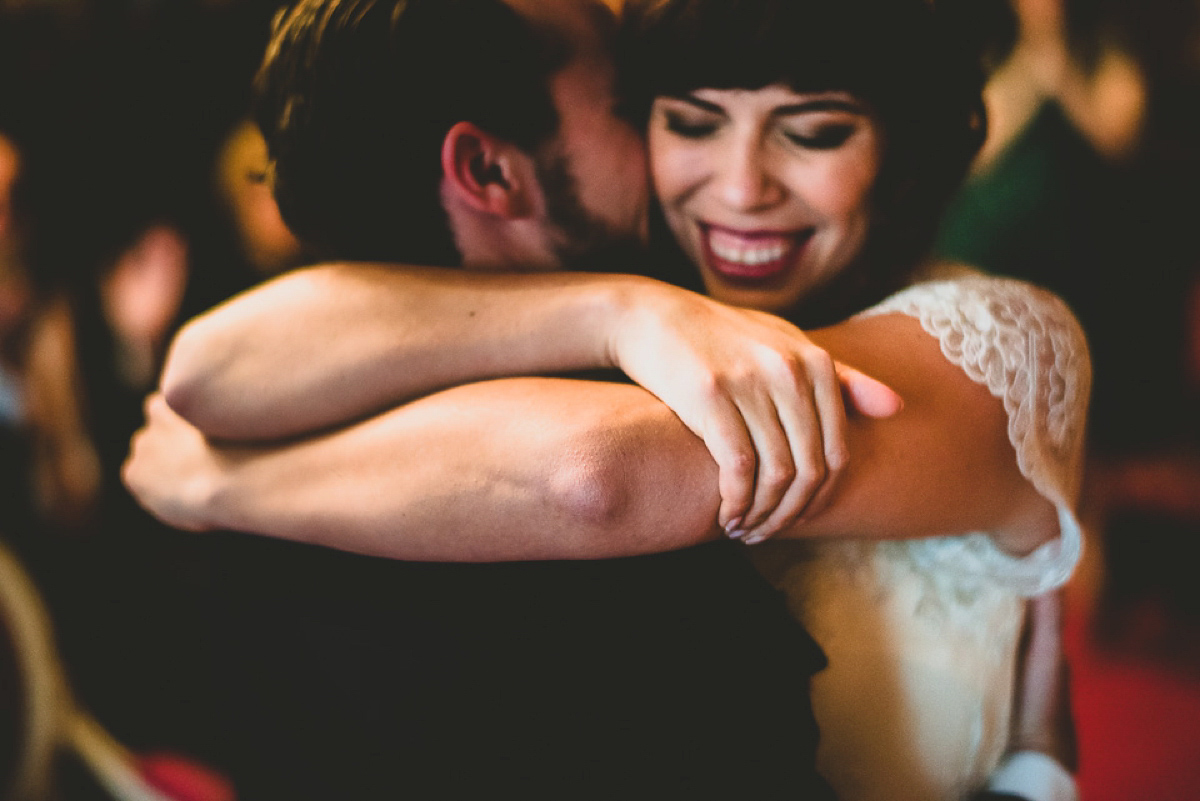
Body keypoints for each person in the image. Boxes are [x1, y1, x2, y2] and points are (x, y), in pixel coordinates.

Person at [124, 0, 1090, 799]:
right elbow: (206, 367)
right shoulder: (658, 295)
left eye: (814, 132)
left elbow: (599, 472)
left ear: (904, 147)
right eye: (681, 119)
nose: (740, 188)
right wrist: (618, 308)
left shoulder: (999, 337)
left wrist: (223, 489)